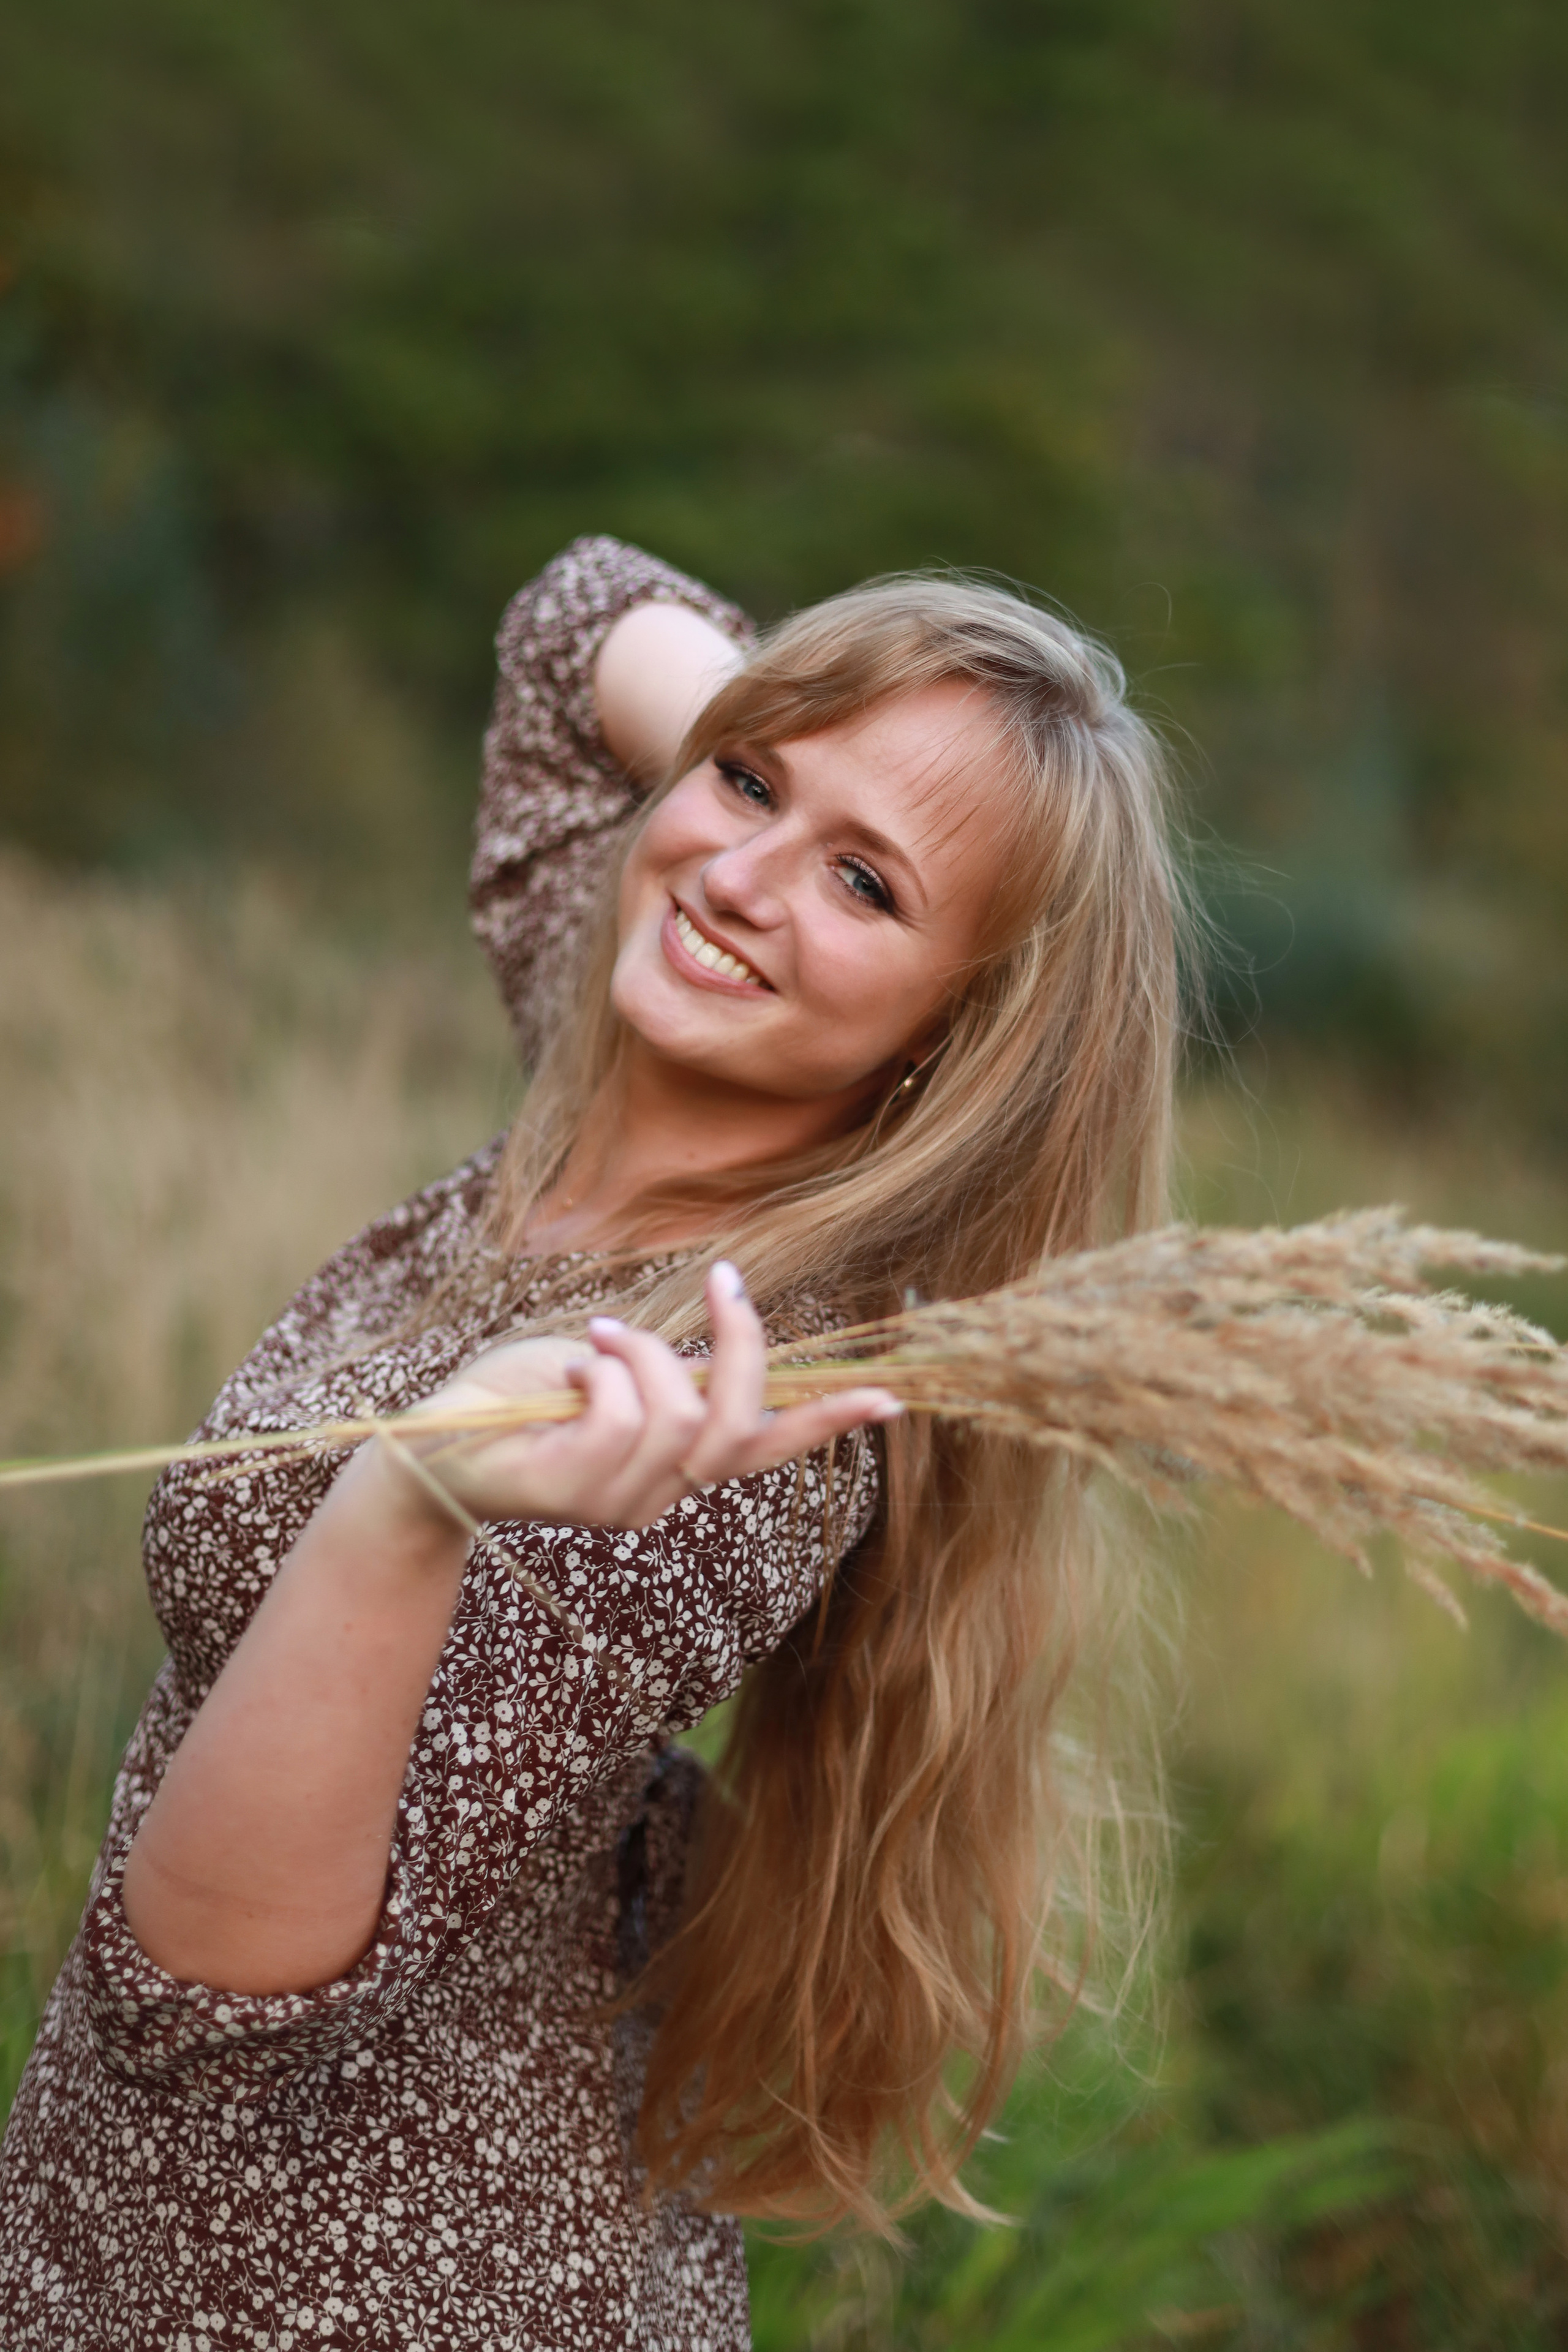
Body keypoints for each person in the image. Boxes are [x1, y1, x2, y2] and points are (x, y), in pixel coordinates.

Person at [0, 535, 1182, 2350]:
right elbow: (573, 623)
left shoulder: (729, 1414)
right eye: (745, 777)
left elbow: (207, 1986)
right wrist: (792, 772)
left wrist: (414, 1504)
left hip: (333, 2280)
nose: (746, 876)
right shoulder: (645, 1025)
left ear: (965, 1034)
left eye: (866, 885)